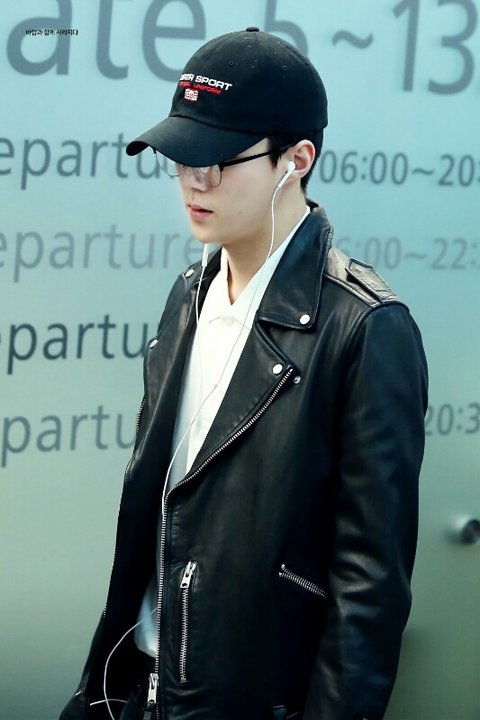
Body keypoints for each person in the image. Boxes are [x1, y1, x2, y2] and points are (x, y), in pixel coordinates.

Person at [60, 27, 428, 720]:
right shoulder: (189, 294)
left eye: (221, 160)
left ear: (297, 159)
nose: (195, 181)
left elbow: (368, 593)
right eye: (182, 158)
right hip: (137, 689)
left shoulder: (366, 329)